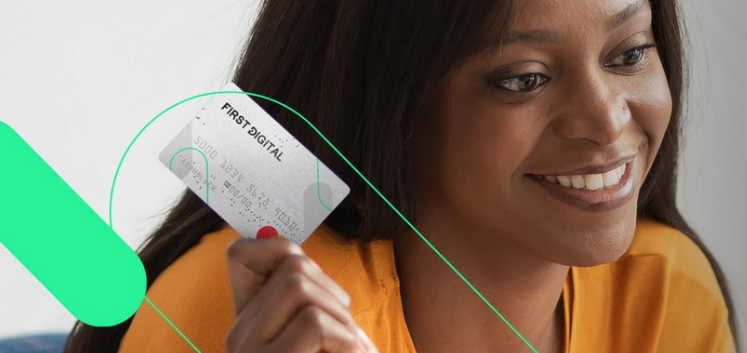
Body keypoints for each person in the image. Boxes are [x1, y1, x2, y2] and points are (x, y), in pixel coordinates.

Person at [63, 0, 740, 352]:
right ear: (395, 108)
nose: (606, 117)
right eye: (523, 79)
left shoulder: (665, 293)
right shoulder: (245, 312)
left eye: (628, 53)